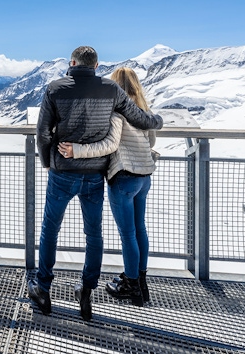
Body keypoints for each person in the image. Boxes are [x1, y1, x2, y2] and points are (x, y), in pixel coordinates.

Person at [30, 47, 162, 321]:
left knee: (50, 230)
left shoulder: (55, 89)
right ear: (97, 65)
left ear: (73, 63)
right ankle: (86, 292)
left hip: (62, 172)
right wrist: (158, 121)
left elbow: (42, 133)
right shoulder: (111, 89)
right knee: (94, 235)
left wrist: (48, 162)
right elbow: (139, 118)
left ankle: (43, 289)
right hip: (94, 175)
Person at [58, 67, 157, 307]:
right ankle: (141, 283)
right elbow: (151, 140)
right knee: (139, 228)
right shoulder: (144, 110)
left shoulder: (117, 111)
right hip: (144, 177)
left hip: (123, 177)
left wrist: (77, 150)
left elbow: (110, 144)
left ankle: (131, 283)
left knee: (128, 234)